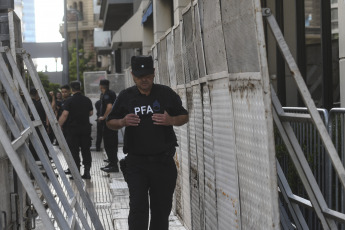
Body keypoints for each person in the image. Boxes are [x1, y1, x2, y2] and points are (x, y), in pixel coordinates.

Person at [106, 55, 189, 230]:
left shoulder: (165, 93)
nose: (144, 79)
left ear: (153, 73)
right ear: (133, 75)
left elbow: (184, 116)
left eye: (147, 75)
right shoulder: (126, 96)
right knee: (138, 208)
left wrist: (171, 120)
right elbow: (110, 122)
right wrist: (122, 122)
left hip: (163, 163)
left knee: (161, 210)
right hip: (137, 163)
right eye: (139, 75)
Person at [58, 81, 93, 180]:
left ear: (72, 90)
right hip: (85, 130)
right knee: (86, 151)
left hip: (72, 130)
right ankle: (87, 172)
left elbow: (64, 115)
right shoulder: (87, 100)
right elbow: (91, 113)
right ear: (80, 88)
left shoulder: (69, 101)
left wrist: (59, 125)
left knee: (74, 152)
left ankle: (76, 173)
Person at [99, 79, 119, 173]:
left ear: (101, 86)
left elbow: (109, 107)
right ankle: (112, 162)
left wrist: (104, 117)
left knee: (109, 144)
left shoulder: (107, 94)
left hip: (109, 123)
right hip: (113, 122)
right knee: (112, 144)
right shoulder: (111, 93)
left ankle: (113, 165)